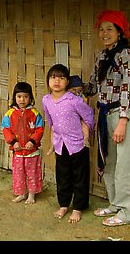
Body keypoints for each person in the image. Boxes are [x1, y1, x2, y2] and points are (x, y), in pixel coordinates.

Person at [83, 9, 130, 227]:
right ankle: (114, 203)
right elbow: (93, 86)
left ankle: (127, 211)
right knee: (110, 162)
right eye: (101, 29)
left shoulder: (127, 55)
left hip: (125, 115)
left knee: (126, 165)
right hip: (105, 114)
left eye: (109, 29)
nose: (104, 33)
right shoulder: (103, 56)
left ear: (120, 32)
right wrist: (74, 88)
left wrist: (122, 121)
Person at [42, 64, 95, 223]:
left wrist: (87, 134)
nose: (57, 81)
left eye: (61, 78)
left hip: (77, 144)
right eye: (53, 77)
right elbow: (50, 121)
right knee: (63, 176)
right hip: (60, 144)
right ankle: (64, 205)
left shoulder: (73, 100)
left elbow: (89, 114)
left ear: (67, 82)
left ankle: (78, 207)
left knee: (79, 177)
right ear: (48, 81)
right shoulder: (46, 100)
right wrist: (52, 141)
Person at [1, 81, 44, 204]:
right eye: (19, 96)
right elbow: (5, 129)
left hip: (32, 151)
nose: (22, 99)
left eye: (25, 96)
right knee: (18, 173)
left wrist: (32, 141)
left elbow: (39, 129)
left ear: (30, 98)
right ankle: (21, 193)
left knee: (32, 173)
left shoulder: (35, 114)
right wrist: (13, 142)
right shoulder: (9, 114)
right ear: (15, 97)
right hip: (18, 151)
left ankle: (31, 195)